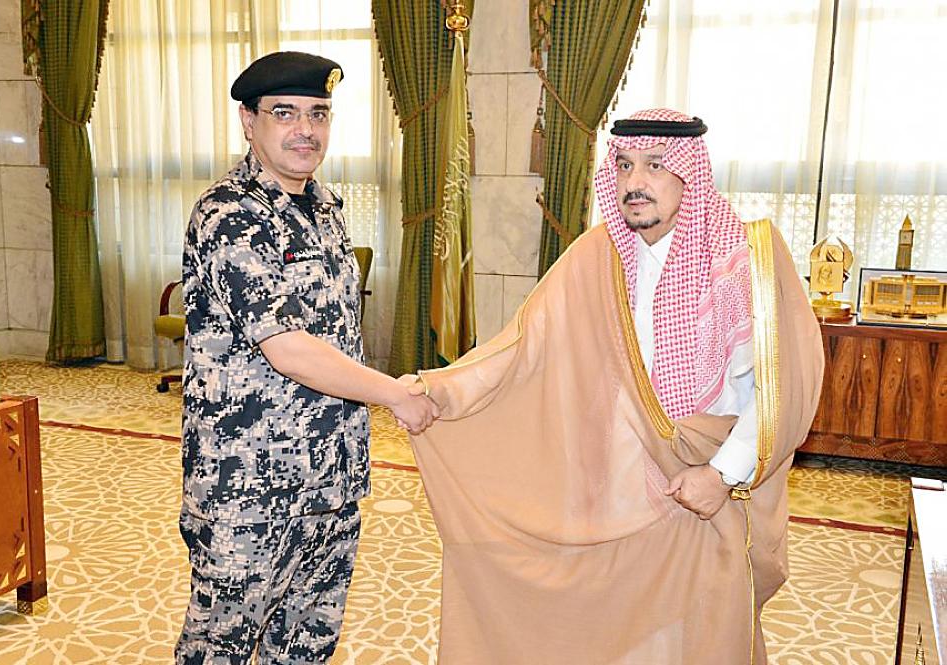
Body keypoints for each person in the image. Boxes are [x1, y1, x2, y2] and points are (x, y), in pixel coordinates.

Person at [407, 108, 824, 664]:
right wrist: (440, 392)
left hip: (705, 484)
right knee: (616, 630)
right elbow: (522, 347)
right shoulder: (596, 257)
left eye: (655, 165)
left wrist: (722, 475)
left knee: (695, 635)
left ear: (689, 172)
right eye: (624, 165)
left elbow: (783, 389)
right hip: (617, 484)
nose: (634, 182)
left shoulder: (745, 260)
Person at [176, 51, 438, 664]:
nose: (305, 130)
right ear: (249, 121)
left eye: (318, 114)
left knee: (306, 641)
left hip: (329, 472)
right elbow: (288, 348)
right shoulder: (229, 215)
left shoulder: (324, 208)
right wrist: (394, 394)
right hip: (248, 483)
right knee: (221, 644)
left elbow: (336, 334)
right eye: (284, 113)